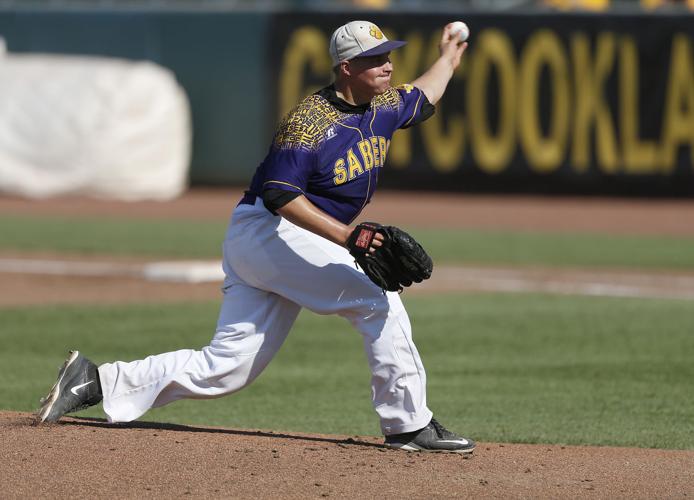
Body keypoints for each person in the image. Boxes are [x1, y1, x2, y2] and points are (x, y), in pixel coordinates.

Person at [37, 20, 473, 454]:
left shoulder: (384, 105)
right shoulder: (308, 124)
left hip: (269, 241)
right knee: (379, 301)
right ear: (345, 67)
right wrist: (346, 236)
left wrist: (449, 57)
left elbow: (423, 94)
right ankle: (409, 425)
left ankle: (95, 381)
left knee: (227, 368)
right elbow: (280, 194)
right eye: (373, 59)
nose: (387, 66)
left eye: (388, 56)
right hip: (271, 230)